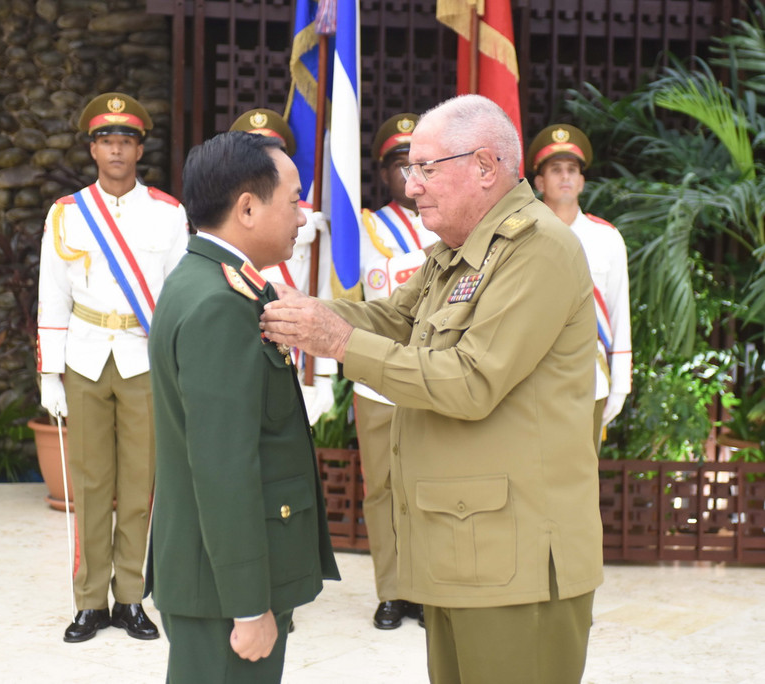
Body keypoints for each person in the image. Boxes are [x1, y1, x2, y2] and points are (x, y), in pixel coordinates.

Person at [260, 94, 604, 684]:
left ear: (485, 166)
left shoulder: (537, 248)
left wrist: (338, 342)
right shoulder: (460, 251)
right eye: (409, 168)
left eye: (426, 168)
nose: (410, 184)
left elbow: (472, 381)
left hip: (514, 558)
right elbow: (394, 319)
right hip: (466, 550)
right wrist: (309, 314)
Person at [146, 131, 340, 684]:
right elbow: (224, 466)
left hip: (218, 578)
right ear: (248, 208)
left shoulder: (216, 283)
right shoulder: (219, 304)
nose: (303, 217)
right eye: (295, 199)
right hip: (224, 589)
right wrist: (249, 604)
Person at [36, 92, 189, 642]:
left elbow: (181, 297)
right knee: (91, 484)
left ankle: (130, 598)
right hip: (84, 357)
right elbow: (51, 295)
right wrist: (50, 373)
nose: (117, 150)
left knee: (141, 484)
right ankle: (89, 601)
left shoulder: (169, 214)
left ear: (140, 148)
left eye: (126, 141)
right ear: (93, 149)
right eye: (107, 141)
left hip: (143, 360)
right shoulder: (67, 214)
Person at [358, 113, 437, 630]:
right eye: (398, 165)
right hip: (376, 373)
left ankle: (427, 589)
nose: (408, 174)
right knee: (382, 486)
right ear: (384, 173)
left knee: (428, 484)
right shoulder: (361, 226)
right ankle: (391, 589)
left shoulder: (451, 223)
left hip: (432, 371)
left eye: (418, 165)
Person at [526, 124, 632, 452]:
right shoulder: (521, 234)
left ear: (583, 181)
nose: (566, 177)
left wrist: (620, 382)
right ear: (539, 182)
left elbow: (619, 310)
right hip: (530, 377)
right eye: (555, 170)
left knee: (582, 483)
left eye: (572, 170)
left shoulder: (607, 238)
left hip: (591, 377)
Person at [229, 108, 336, 426]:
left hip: (295, 362)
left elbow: (322, 296)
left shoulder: (311, 219)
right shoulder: (219, 214)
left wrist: (324, 373)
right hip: (237, 359)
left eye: (272, 154)